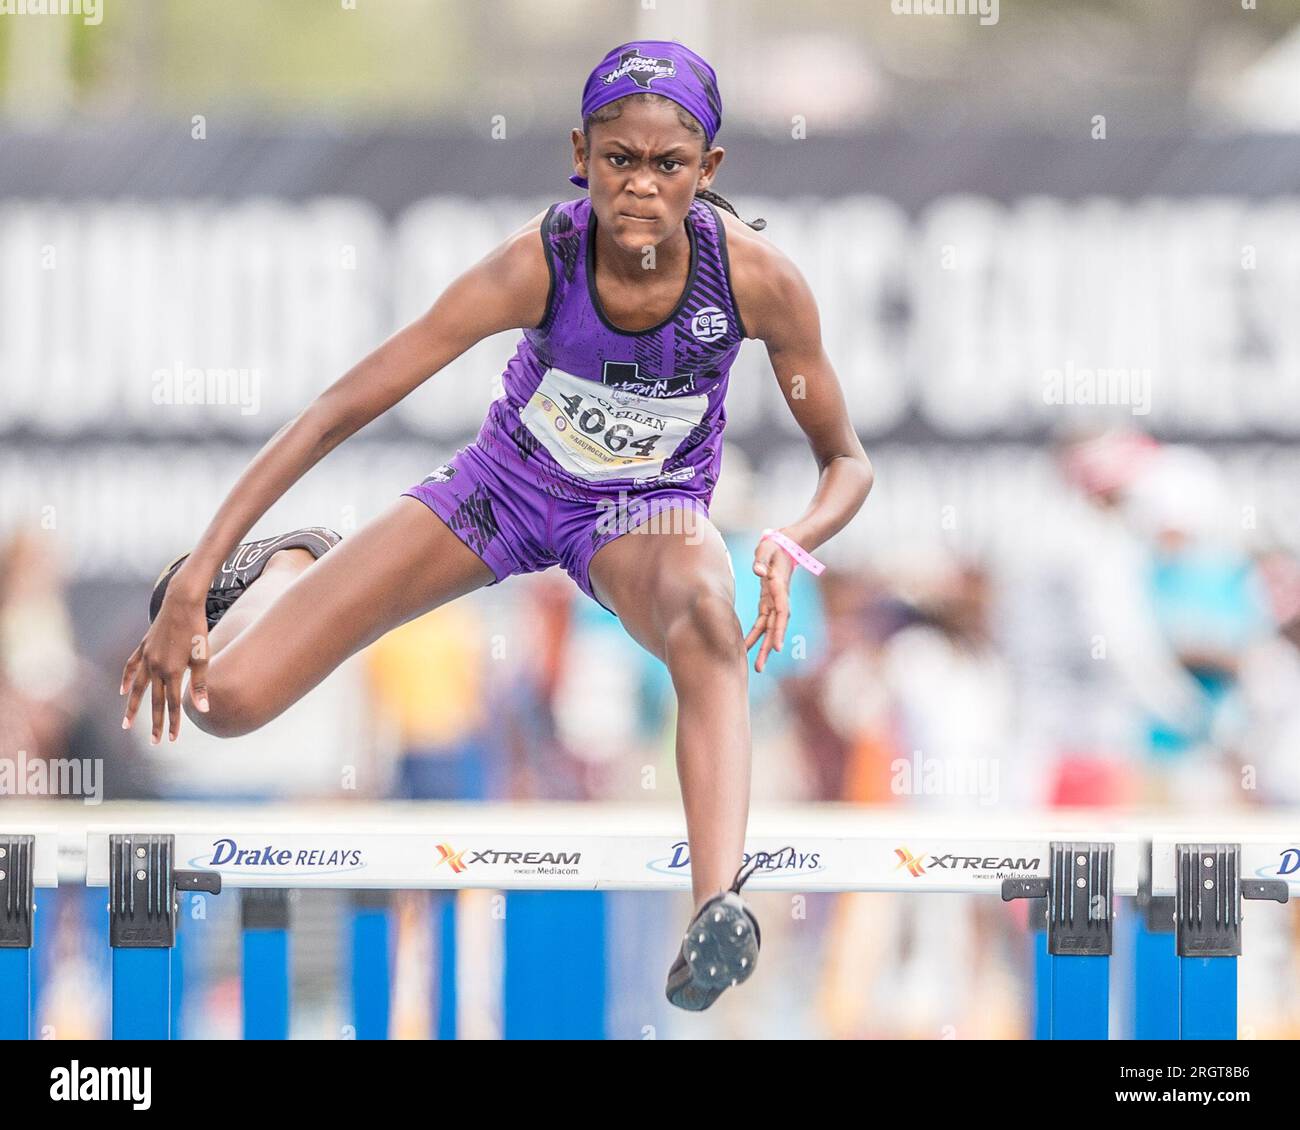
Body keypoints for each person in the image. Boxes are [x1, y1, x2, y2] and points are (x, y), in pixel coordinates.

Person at [119, 40, 873, 1011]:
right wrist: (197, 577)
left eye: (668, 165)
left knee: (706, 613)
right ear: (580, 154)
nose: (641, 188)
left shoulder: (762, 283)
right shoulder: (537, 262)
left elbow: (845, 459)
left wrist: (789, 536)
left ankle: (717, 905)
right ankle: (297, 561)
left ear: (708, 170)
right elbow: (339, 407)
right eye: (619, 161)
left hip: (640, 514)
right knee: (225, 705)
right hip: (501, 492)